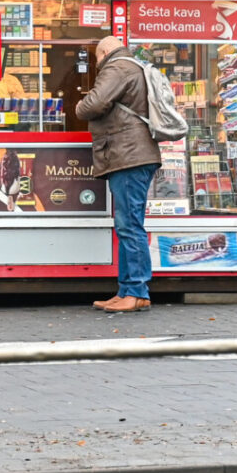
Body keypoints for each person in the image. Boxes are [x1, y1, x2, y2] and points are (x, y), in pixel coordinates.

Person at [75, 35, 161, 312]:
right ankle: (128, 290)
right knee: (127, 224)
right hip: (133, 154)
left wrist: (77, 106)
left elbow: (92, 104)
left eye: (97, 59)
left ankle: (136, 291)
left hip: (129, 156)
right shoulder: (132, 66)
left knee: (130, 225)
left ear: (103, 53)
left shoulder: (117, 67)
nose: (98, 65)